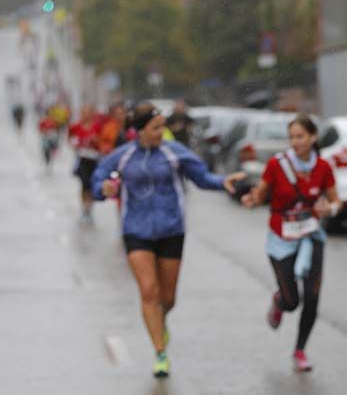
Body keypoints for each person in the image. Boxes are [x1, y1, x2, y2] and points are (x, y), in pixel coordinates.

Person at [92, 102, 245, 378]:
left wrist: (223, 182)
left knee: (167, 297)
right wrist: (102, 189)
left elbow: (202, 177)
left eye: (162, 127)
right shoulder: (123, 156)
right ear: (139, 131)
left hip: (171, 230)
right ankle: (160, 353)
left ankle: (159, 321)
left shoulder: (174, 153)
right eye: (156, 128)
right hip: (135, 231)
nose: (162, 132)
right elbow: (100, 179)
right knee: (148, 291)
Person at [241, 115, 342, 372]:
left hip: (311, 236)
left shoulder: (323, 167)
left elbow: (335, 200)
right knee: (291, 300)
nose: (296, 142)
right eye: (292, 137)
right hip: (281, 238)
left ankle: (300, 350)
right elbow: (262, 193)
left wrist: (329, 208)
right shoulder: (278, 165)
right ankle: (278, 301)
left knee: (313, 296)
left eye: (301, 136)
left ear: (312, 138)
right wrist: (252, 199)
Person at [68, 105, 102, 224]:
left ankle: (90, 209)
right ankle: (84, 209)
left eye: (88, 112)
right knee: (83, 185)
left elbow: (102, 141)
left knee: (92, 185)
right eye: (84, 113)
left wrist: (95, 141)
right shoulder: (75, 126)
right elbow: (70, 139)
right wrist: (75, 144)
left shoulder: (97, 126)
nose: (86, 115)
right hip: (82, 159)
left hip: (94, 159)